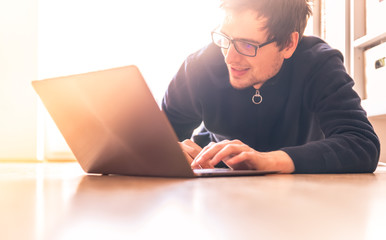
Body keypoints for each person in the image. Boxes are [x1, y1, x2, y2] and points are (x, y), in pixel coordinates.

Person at [161, 0, 380, 173]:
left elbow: (361, 144)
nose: (230, 58)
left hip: (300, 190)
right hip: (216, 187)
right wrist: (170, 150)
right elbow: (157, 135)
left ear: (288, 44)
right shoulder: (199, 65)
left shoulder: (318, 63)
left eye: (247, 45)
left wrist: (269, 160)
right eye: (225, 38)